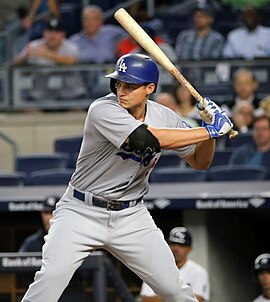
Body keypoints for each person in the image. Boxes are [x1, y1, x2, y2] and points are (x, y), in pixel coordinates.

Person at [21, 53, 233, 302]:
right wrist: (208, 129)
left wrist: (210, 134)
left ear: (150, 88)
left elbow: (200, 162)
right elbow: (147, 139)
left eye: (131, 86)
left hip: (131, 216)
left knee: (175, 290)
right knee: (51, 278)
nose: (122, 91)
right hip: (81, 210)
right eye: (119, 83)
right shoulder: (102, 109)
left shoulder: (164, 116)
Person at [14, 18, 86, 101]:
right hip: (41, 95)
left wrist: (46, 54)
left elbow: (72, 61)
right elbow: (16, 63)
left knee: (78, 110)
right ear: (44, 33)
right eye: (49, 31)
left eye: (57, 32)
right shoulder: (34, 46)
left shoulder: (70, 46)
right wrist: (25, 57)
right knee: (27, 109)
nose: (53, 35)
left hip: (70, 94)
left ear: (63, 34)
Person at [140, 227, 210, 302]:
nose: (176, 248)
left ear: (190, 249)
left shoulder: (198, 272)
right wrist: (179, 298)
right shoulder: (155, 269)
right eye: (173, 244)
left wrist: (164, 298)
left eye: (181, 245)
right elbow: (146, 299)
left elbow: (197, 299)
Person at [229, 115, 270, 179]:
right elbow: (231, 176)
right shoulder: (240, 153)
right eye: (257, 129)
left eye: (264, 129)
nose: (260, 133)